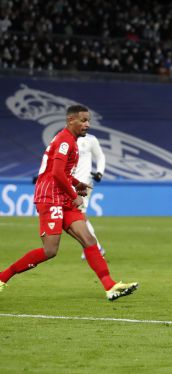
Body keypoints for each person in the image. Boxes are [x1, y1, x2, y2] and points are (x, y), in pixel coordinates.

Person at [0, 105, 137, 301]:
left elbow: (63, 173)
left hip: (62, 196)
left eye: (88, 120)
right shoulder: (65, 141)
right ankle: (2, 278)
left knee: (88, 239)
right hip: (50, 197)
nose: (87, 124)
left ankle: (110, 286)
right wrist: (74, 195)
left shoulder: (71, 141)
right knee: (50, 250)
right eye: (83, 120)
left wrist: (77, 184)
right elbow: (55, 174)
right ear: (70, 120)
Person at [74, 132, 107, 260]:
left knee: (79, 215)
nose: (85, 124)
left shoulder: (90, 139)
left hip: (84, 183)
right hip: (69, 183)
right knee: (76, 217)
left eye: (86, 121)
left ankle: (95, 248)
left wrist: (100, 172)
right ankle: (91, 247)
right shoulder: (63, 138)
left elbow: (100, 156)